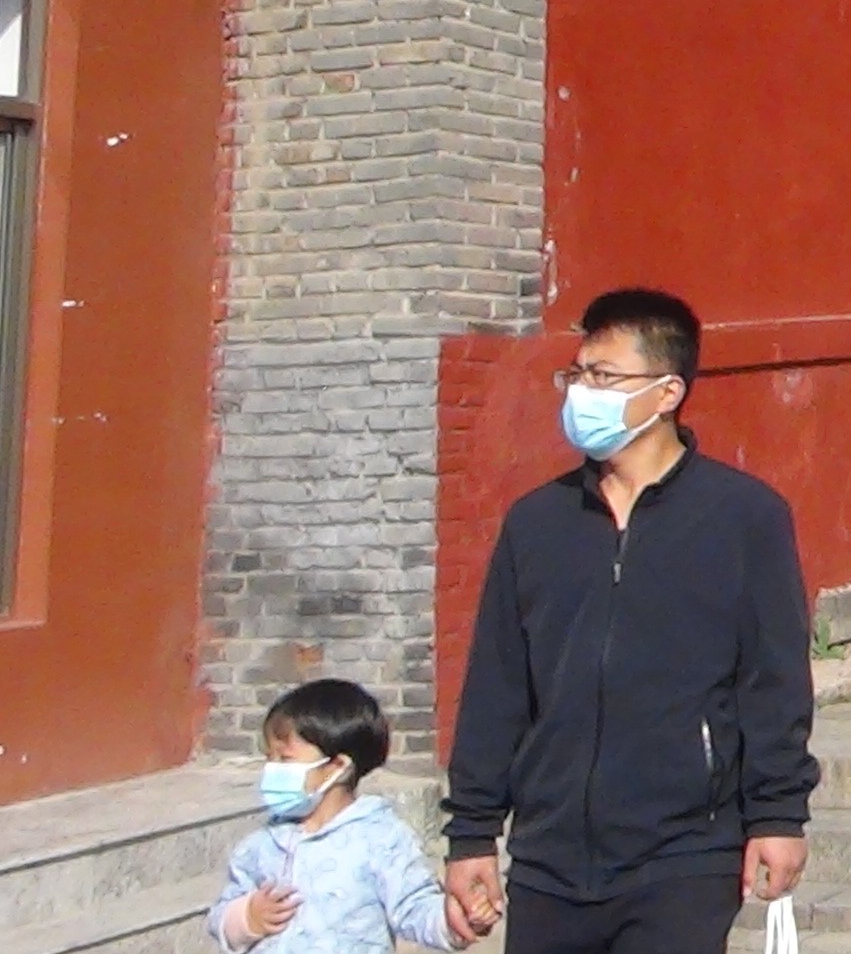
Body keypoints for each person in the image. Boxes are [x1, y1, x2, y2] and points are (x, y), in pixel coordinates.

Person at [443, 288, 819, 954]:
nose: (581, 391)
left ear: (668, 392)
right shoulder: (537, 523)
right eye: (577, 373)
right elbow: (496, 687)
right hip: (549, 857)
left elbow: (774, 679)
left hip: (684, 853)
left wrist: (778, 816)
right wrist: (472, 832)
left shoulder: (743, 518)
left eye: (604, 376)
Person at [211, 679, 462, 953]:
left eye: (285, 759)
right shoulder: (261, 845)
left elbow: (414, 906)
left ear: (337, 767)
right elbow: (222, 913)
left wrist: (454, 921)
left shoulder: (381, 838)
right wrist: (247, 917)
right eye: (269, 758)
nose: (272, 769)